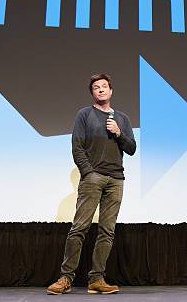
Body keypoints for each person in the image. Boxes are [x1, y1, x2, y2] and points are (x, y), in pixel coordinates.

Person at [47, 74, 136, 295]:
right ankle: (66, 277)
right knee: (79, 228)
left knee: (107, 231)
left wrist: (119, 133)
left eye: (104, 86)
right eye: (96, 87)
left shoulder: (122, 119)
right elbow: (77, 147)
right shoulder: (84, 115)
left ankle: (96, 279)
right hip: (93, 178)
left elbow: (132, 148)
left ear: (111, 91)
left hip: (116, 180)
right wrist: (88, 173)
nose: (101, 90)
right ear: (93, 93)